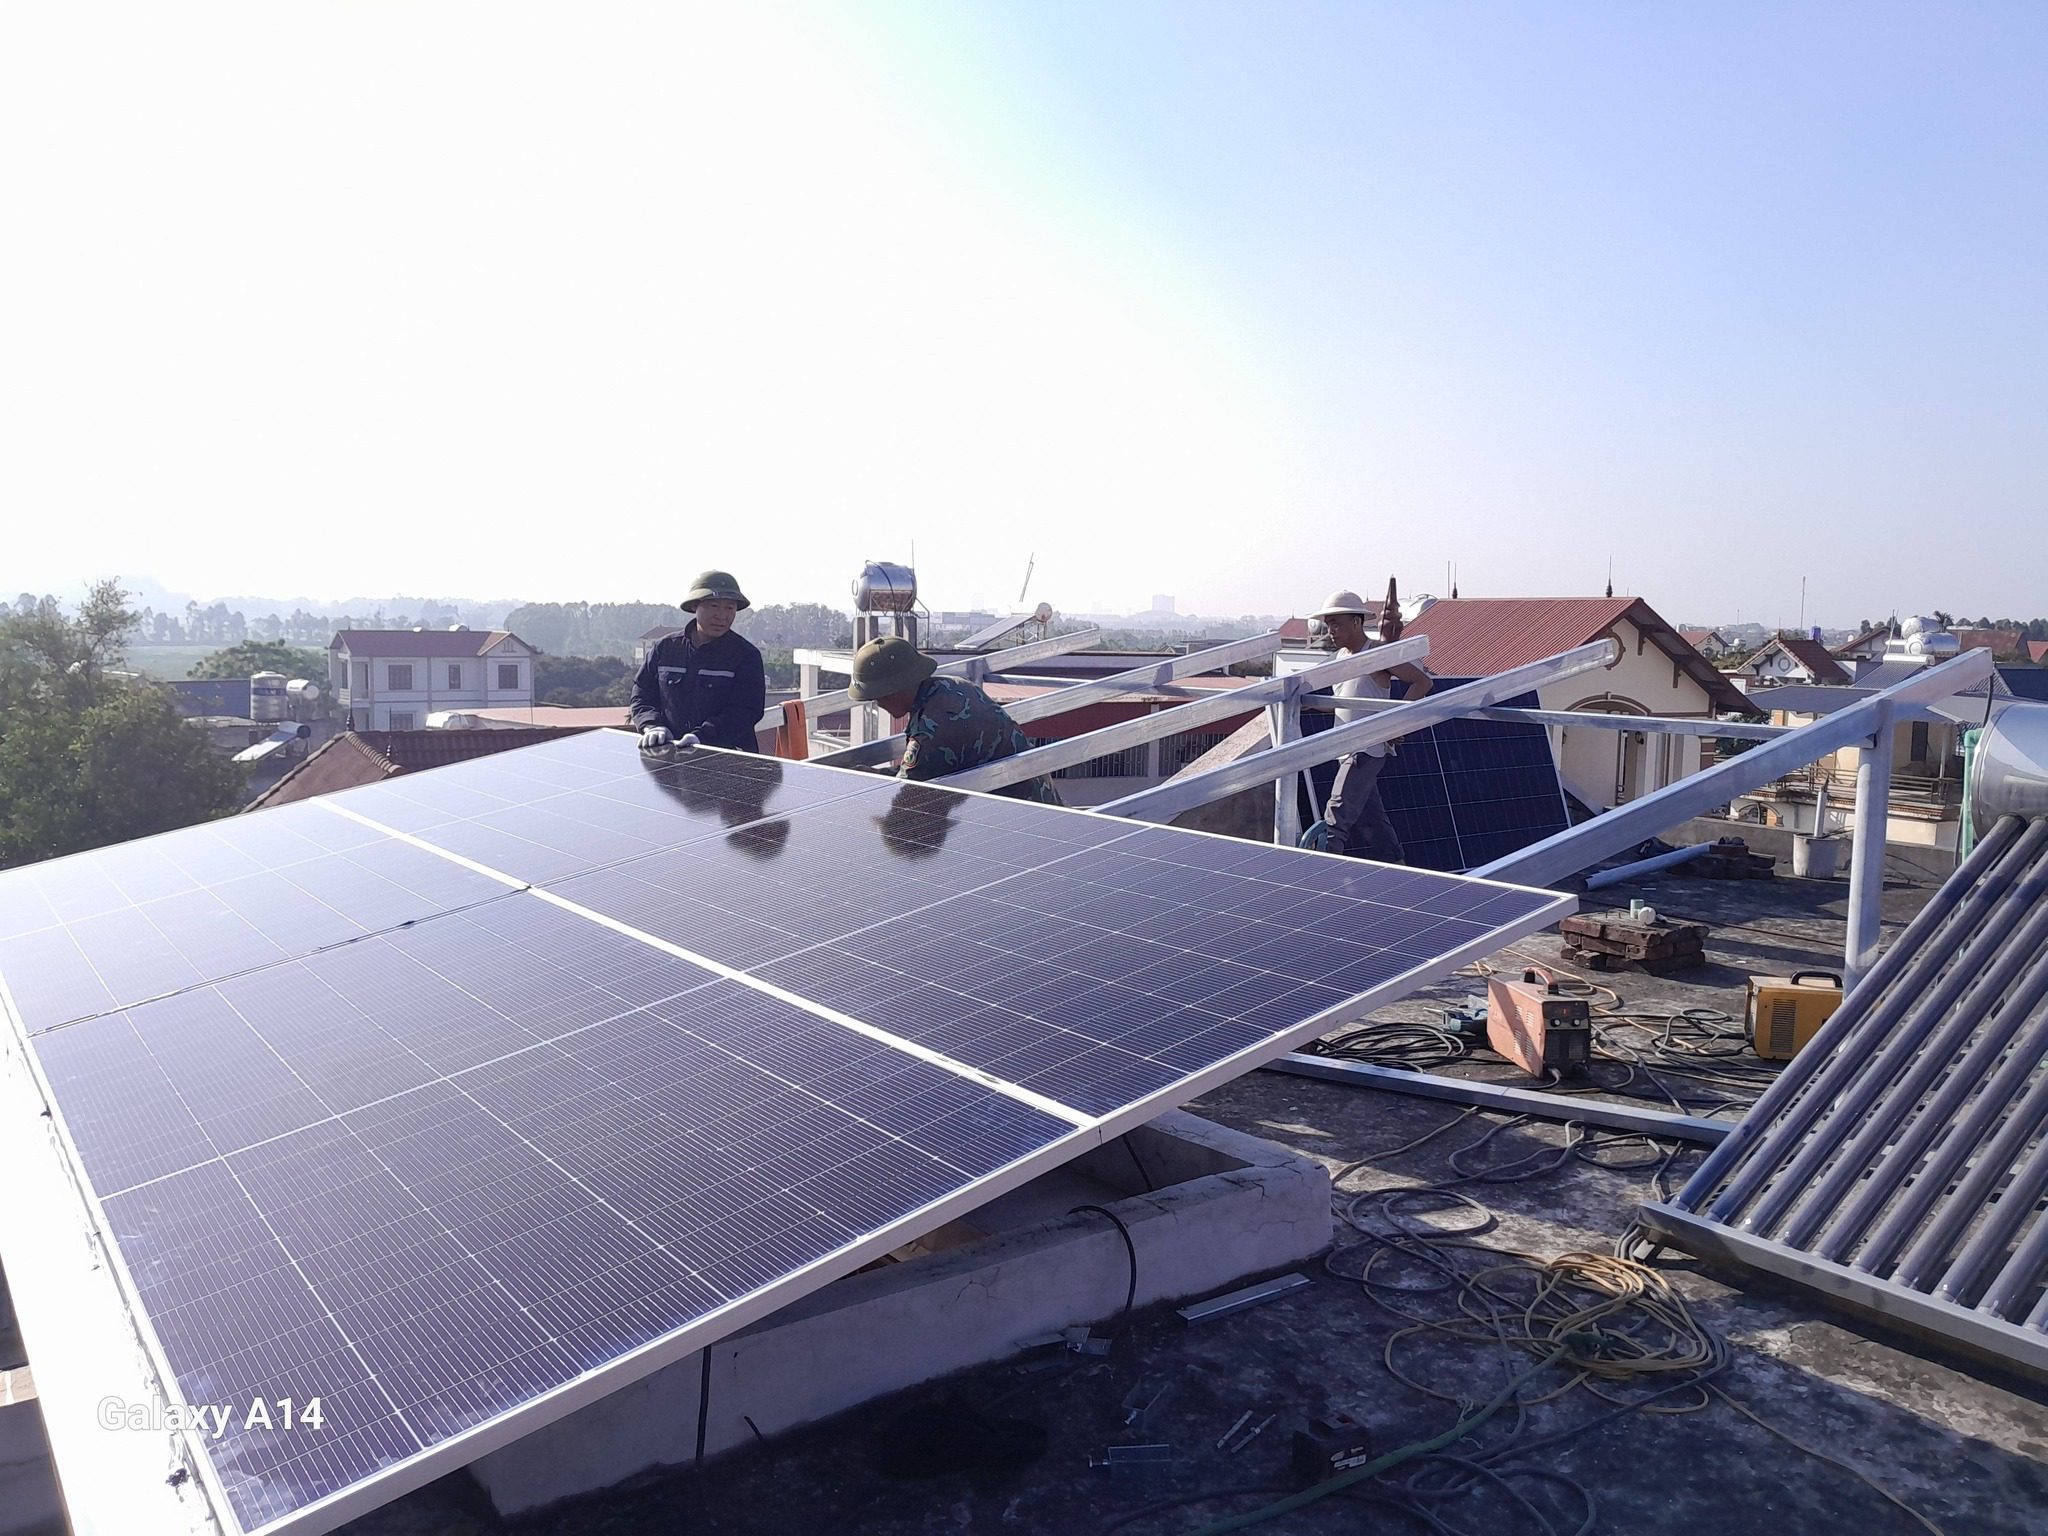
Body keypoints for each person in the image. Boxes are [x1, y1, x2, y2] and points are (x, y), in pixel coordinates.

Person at [846, 636, 1062, 805]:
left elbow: (906, 800)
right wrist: (878, 775)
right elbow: (925, 772)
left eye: (878, 695)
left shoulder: (932, 730)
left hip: (1019, 817)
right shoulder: (950, 687)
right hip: (1036, 805)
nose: (878, 703)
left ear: (895, 689)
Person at [1312, 587, 1433, 862]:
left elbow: (1422, 682)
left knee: (1336, 815)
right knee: (1371, 821)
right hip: (1345, 748)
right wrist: (1307, 703)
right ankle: (1398, 866)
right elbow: (1344, 701)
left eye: (1336, 623)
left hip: (1365, 750)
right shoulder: (1342, 657)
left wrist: (1392, 724)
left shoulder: (1377, 654)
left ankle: (1320, 871)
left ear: (1356, 622)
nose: (1331, 630)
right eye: (1328, 624)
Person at [629, 570, 767, 752]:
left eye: (729, 608)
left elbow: (746, 710)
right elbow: (642, 693)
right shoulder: (665, 648)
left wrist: (702, 737)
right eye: (714, 606)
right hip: (669, 755)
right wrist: (652, 725)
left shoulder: (746, 655)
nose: (722, 616)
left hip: (727, 758)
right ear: (695, 606)